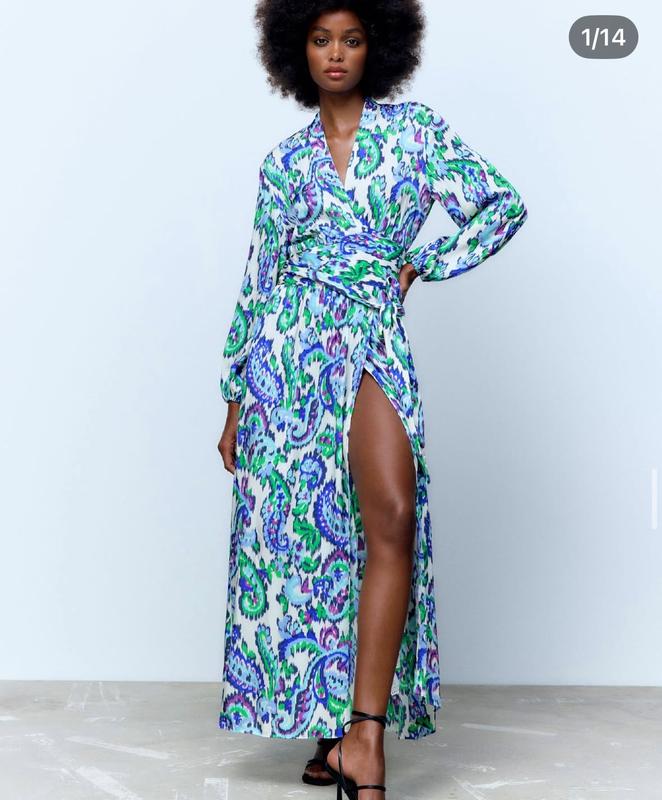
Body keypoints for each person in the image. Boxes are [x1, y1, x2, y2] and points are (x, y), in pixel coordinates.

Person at [217, 2, 528, 797]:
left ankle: (366, 731)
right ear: (295, 50)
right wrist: (236, 399)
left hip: (372, 339)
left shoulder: (415, 133)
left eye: (351, 39)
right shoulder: (284, 162)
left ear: (376, 48)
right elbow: (258, 279)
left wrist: (420, 263)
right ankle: (339, 739)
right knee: (312, 537)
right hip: (289, 355)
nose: (335, 54)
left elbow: (502, 204)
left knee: (390, 512)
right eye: (320, 39)